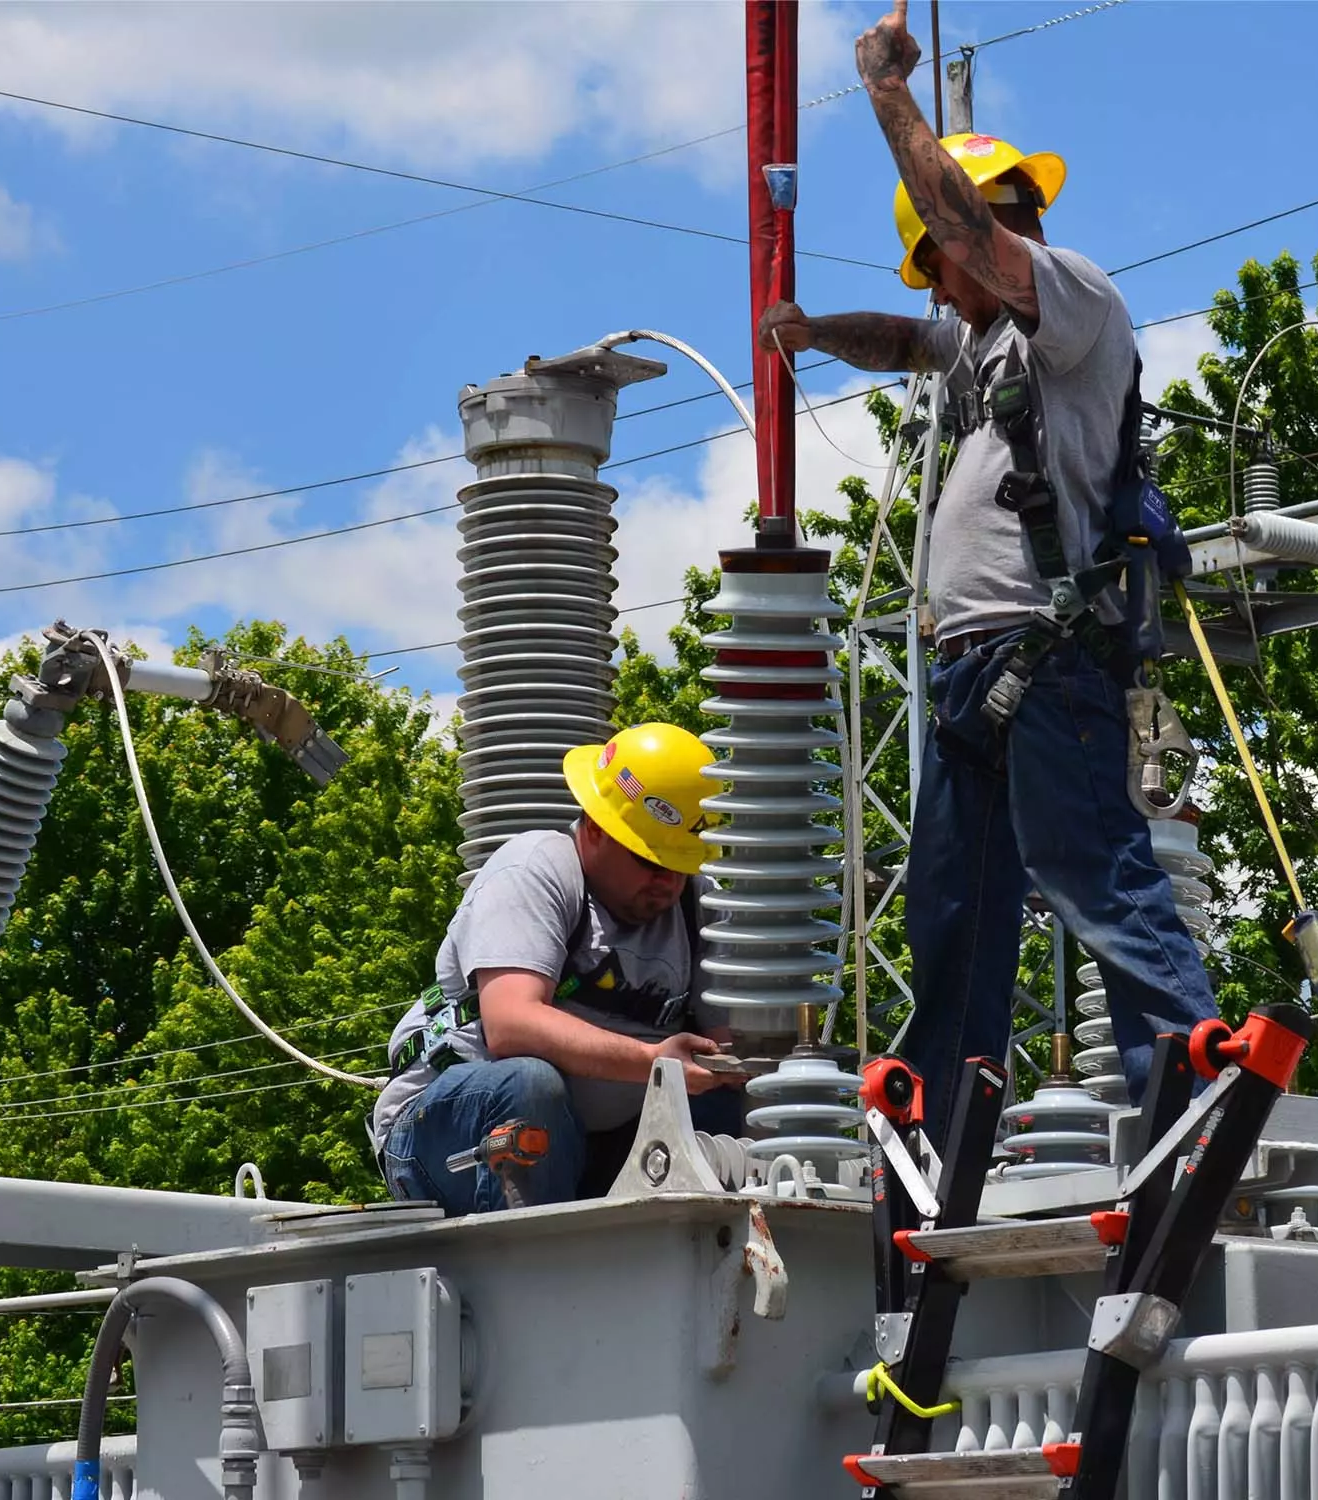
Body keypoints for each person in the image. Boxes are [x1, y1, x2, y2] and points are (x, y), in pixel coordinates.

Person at [756, 0, 1218, 1130]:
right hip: (967, 671)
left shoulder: (1070, 302)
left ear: (985, 229)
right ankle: (943, 1136)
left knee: (1091, 875)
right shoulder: (968, 339)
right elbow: (906, 338)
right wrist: (813, 335)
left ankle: (1189, 1098)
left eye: (940, 262)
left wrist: (882, 90)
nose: (933, 288)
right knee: (951, 913)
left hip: (1046, 650)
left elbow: (964, 245)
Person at [373, 722, 744, 1215]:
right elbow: (511, 1025)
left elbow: (726, 1049)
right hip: (445, 1133)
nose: (667, 884)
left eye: (682, 866)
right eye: (650, 861)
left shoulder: (696, 906)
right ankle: (534, 1266)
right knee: (529, 1085)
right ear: (594, 828)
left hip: (590, 1147)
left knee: (726, 1100)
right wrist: (657, 1059)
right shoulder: (536, 869)